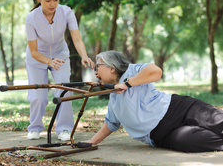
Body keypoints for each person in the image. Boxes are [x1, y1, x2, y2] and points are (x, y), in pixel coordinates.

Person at [86, 50, 223, 152]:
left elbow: (155, 71)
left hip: (176, 109)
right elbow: (111, 124)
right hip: (159, 136)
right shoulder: (113, 97)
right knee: (189, 141)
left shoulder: (131, 71)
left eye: (98, 66)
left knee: (217, 121)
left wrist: (127, 84)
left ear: (111, 68)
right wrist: (91, 141)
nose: (95, 72)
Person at [25, 0, 94, 140]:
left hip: (59, 55)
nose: (52, 4)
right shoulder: (31, 18)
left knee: (64, 89)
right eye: (47, 0)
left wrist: (84, 56)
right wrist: (48, 61)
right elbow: (33, 51)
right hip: (37, 58)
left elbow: (76, 39)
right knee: (38, 95)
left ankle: (64, 129)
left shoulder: (66, 12)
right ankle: (34, 127)